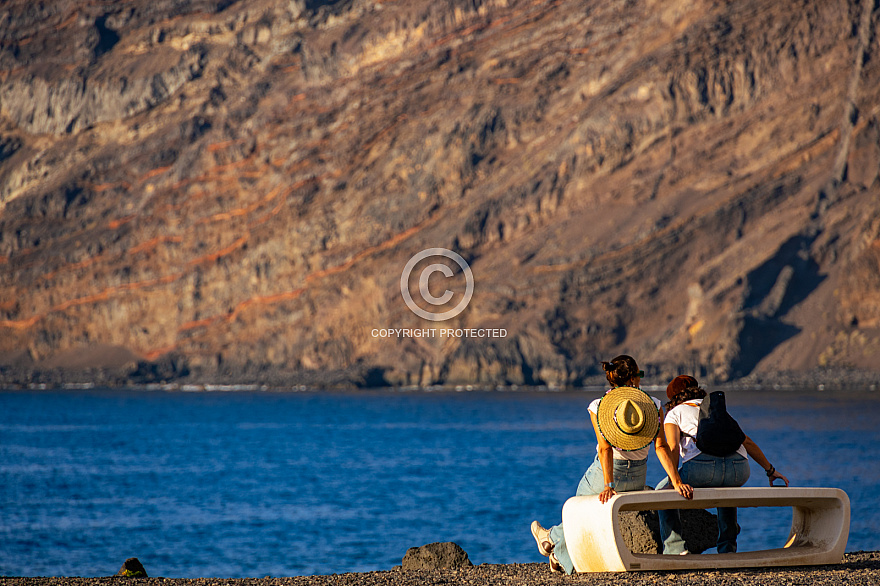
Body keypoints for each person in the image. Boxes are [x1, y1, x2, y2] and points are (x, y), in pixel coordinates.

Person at [530, 355, 693, 574]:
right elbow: (661, 447)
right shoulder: (653, 405)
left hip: (611, 473)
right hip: (638, 477)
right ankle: (551, 543)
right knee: (584, 507)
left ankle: (553, 544)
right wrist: (676, 481)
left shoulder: (598, 406)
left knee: (579, 503)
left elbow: (605, 449)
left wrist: (608, 484)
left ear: (611, 377)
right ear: (635, 378)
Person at [657, 375, 790, 555]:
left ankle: (675, 549)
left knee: (661, 491)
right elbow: (747, 442)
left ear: (673, 398)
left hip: (702, 470)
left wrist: (675, 481)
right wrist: (770, 471)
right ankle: (728, 548)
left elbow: (672, 447)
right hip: (739, 470)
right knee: (726, 488)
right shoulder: (717, 409)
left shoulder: (675, 412)